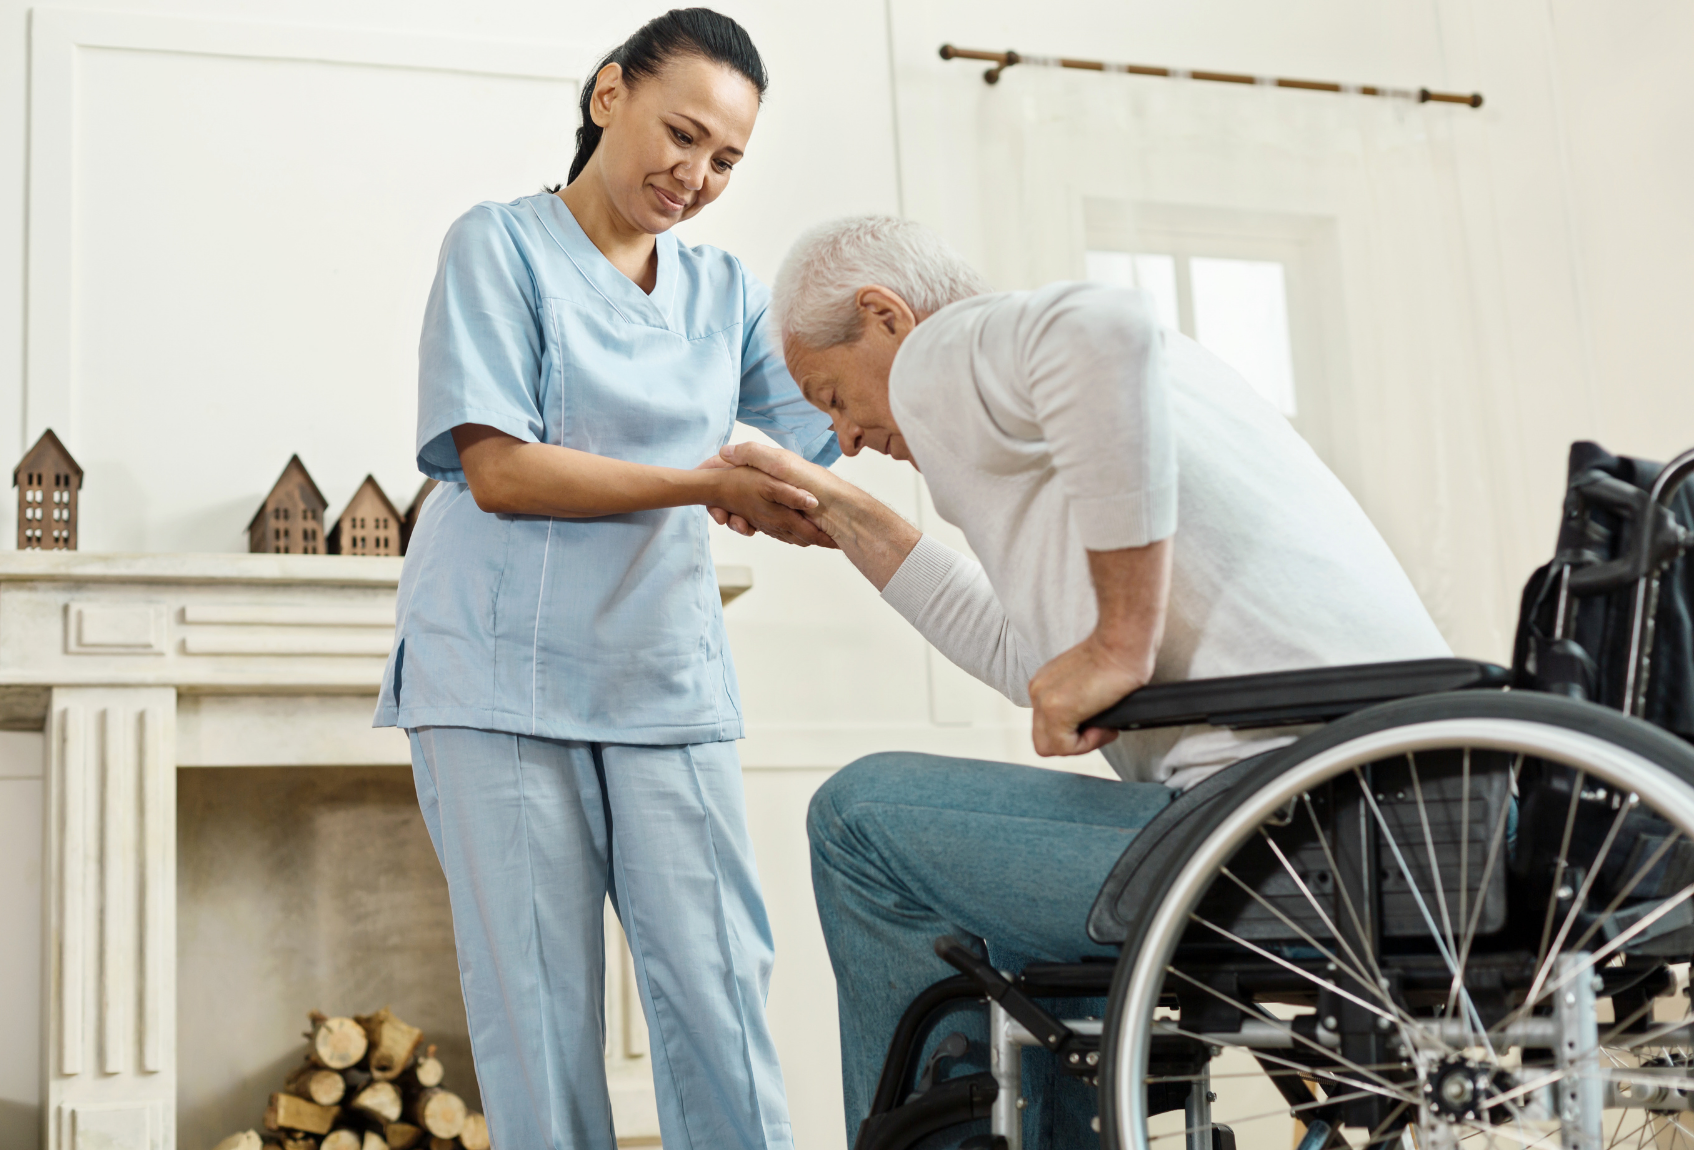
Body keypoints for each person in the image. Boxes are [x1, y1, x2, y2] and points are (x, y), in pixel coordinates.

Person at [705, 214, 1452, 1146]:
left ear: (884, 315)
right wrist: (844, 511)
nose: (846, 436)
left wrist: (1122, 645)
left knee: (857, 819)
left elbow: (1104, 331)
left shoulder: (950, 350)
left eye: (831, 395)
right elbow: (1031, 659)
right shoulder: (1094, 407)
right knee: (1013, 939)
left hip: (1289, 829)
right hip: (1400, 816)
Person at [372, 13, 839, 1150]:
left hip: (662, 668)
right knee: (536, 1008)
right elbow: (500, 468)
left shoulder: (725, 291)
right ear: (606, 97)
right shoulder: (498, 245)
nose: (696, 174)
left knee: (722, 984)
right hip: (495, 670)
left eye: (726, 158)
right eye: (681, 134)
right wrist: (699, 483)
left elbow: (819, 436)